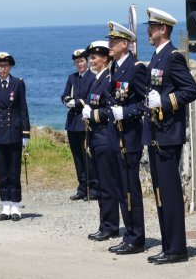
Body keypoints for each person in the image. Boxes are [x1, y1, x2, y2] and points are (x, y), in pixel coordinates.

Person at [142, 7, 196, 264]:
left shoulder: (173, 57)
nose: (148, 30)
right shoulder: (156, 58)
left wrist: (165, 101)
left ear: (163, 29)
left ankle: (177, 248)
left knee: (170, 192)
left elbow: (191, 90)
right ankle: (168, 245)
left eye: (152, 26)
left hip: (168, 135)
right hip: (156, 133)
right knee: (160, 192)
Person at [105, 21, 147, 254]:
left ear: (125, 44)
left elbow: (145, 102)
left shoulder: (136, 68)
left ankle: (136, 237)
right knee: (121, 189)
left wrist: (127, 112)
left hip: (129, 137)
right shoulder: (115, 68)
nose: (109, 45)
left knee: (130, 188)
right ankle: (129, 233)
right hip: (115, 135)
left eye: (113, 41)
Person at [0, 52, 30, 221]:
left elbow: (23, 109)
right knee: (3, 171)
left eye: (6, 65)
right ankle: (5, 206)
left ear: (10, 67)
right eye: (0, 66)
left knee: (14, 171)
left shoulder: (18, 83)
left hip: (15, 132)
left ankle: (16, 207)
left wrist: (26, 133)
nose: (3, 68)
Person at [83, 41, 120, 241]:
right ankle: (105, 224)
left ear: (104, 58)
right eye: (90, 57)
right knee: (100, 184)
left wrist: (94, 114)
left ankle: (110, 226)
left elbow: (111, 109)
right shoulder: (96, 79)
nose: (91, 61)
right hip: (96, 137)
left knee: (107, 185)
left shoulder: (108, 78)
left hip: (105, 137)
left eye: (94, 57)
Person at [61, 49, 99, 201]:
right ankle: (82, 188)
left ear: (87, 61)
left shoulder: (93, 77)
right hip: (72, 123)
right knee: (77, 157)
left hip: (85, 123)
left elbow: (91, 99)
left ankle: (94, 188)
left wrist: (76, 102)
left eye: (82, 61)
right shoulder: (72, 78)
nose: (80, 64)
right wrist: (67, 100)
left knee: (88, 156)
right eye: (77, 62)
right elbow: (64, 95)